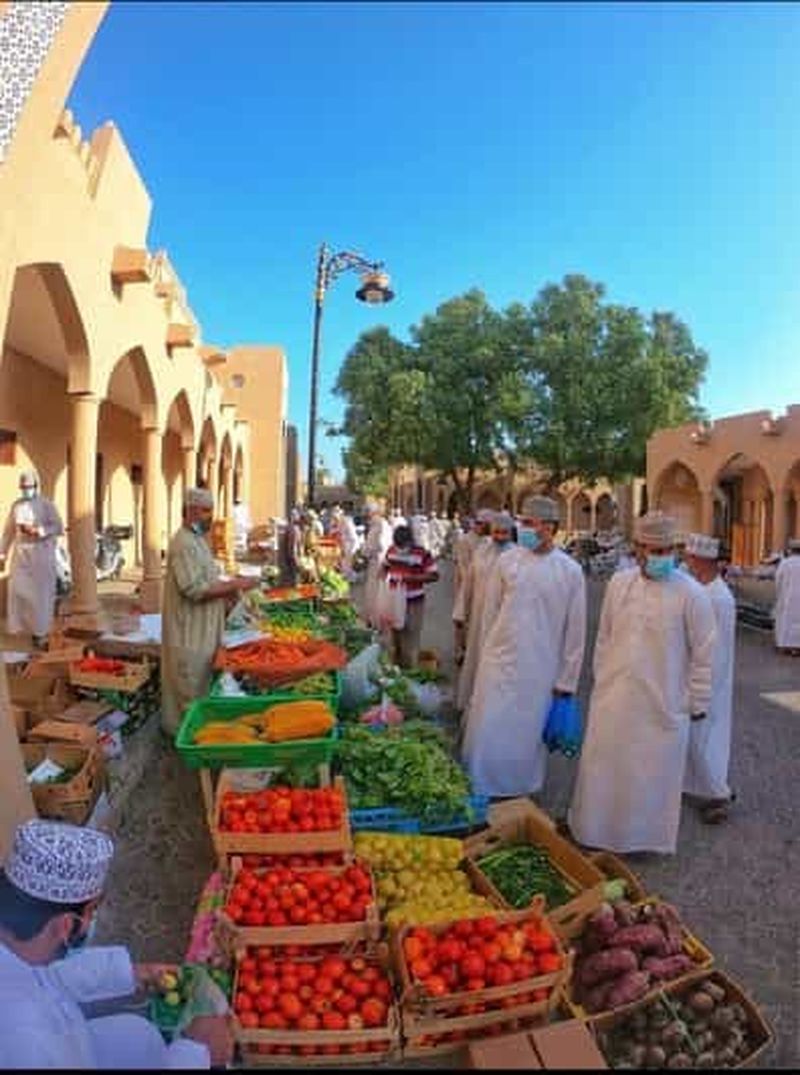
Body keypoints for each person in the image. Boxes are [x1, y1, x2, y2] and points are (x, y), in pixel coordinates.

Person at [0, 819, 233, 1068]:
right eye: (92, 910)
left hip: (70, 1040)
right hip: (60, 1052)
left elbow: (49, 976)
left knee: (138, 1036)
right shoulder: (25, 1043)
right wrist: (196, 1051)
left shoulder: (20, 946)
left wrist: (133, 973)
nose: (92, 920)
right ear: (67, 925)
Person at [568, 512, 716, 855]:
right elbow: (604, 637)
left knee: (648, 775)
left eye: (667, 550)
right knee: (604, 766)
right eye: (653, 550)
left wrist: (697, 702)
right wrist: (602, 679)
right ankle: (593, 832)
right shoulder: (619, 584)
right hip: (615, 697)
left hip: (662, 703)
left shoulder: (692, 594)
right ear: (637, 549)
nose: (661, 557)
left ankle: (641, 841)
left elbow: (705, 654)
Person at [462, 496, 586, 799]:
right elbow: (489, 615)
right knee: (486, 728)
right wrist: (482, 657)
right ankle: (480, 789)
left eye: (530, 524)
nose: (523, 529)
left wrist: (566, 682)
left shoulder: (569, 571)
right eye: (523, 522)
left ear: (550, 528)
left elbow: (576, 634)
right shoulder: (508, 562)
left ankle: (519, 793)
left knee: (525, 736)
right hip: (499, 661)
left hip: (540, 670)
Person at [160, 488, 259, 735]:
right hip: (189, 631)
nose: (210, 517)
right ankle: (186, 743)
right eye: (205, 511)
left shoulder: (198, 541)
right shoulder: (183, 543)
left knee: (202, 683)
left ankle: (199, 736)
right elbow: (194, 590)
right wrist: (237, 585)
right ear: (190, 510)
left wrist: (229, 592)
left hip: (204, 628)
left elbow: (209, 580)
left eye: (211, 510)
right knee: (189, 686)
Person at [682, 532, 737, 824]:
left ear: (704, 560)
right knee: (691, 737)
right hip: (697, 674)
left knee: (704, 738)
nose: (687, 562)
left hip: (709, 680)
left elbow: (716, 648)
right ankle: (695, 786)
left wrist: (701, 684)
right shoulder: (701, 589)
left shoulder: (720, 598)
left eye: (691, 558)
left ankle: (718, 793)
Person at [453, 511, 515, 716]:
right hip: (478, 619)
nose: (500, 536)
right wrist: (461, 613)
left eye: (504, 532)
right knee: (475, 662)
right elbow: (468, 585)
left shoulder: (517, 557)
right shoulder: (481, 552)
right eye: (497, 531)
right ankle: (470, 709)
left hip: (502, 623)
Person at [0, 470, 64, 647]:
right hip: (21, 557)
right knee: (17, 591)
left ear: (36, 486)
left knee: (40, 597)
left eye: (28, 487)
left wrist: (40, 531)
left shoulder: (46, 505)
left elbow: (58, 527)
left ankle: (40, 634)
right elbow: (8, 532)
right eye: (22, 487)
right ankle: (21, 627)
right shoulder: (16, 506)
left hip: (41, 557)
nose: (25, 490)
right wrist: (2, 554)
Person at [382, 524, 438, 669]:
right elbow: (385, 566)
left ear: (410, 542)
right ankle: (396, 664)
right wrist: (381, 579)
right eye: (398, 545)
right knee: (395, 632)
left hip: (414, 601)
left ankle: (410, 667)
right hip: (394, 600)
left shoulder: (422, 553)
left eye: (404, 546)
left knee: (411, 634)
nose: (401, 549)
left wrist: (413, 578)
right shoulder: (391, 550)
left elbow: (434, 575)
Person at [453, 509, 493, 606]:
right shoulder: (465, 540)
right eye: (478, 523)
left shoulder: (490, 540)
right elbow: (464, 569)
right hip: (471, 588)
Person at [362, 502, 393, 628]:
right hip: (379, 562)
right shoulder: (379, 524)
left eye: (367, 513)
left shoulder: (379, 525)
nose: (366, 516)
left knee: (376, 592)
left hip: (378, 562)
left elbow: (379, 545)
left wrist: (366, 551)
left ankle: (376, 621)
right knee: (376, 591)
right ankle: (375, 619)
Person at [774, 538, 800, 655]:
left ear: (791, 550)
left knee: (786, 621)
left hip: (787, 596)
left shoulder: (785, 563)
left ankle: (785, 646)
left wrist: (780, 592)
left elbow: (778, 579)